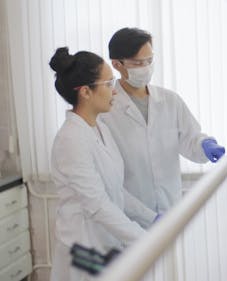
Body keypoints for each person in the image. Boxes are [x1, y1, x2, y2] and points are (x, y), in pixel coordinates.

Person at [49, 47, 159, 281]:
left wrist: (151, 219)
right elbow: (97, 204)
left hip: (105, 243)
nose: (115, 92)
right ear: (86, 92)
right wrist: (143, 239)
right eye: (108, 84)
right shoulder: (71, 139)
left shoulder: (100, 129)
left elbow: (115, 190)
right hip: (84, 249)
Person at [101, 27, 225, 215]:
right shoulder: (106, 109)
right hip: (129, 214)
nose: (146, 67)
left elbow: (190, 139)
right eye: (138, 62)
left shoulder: (169, 101)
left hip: (170, 208)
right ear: (117, 64)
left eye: (150, 60)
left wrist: (205, 144)